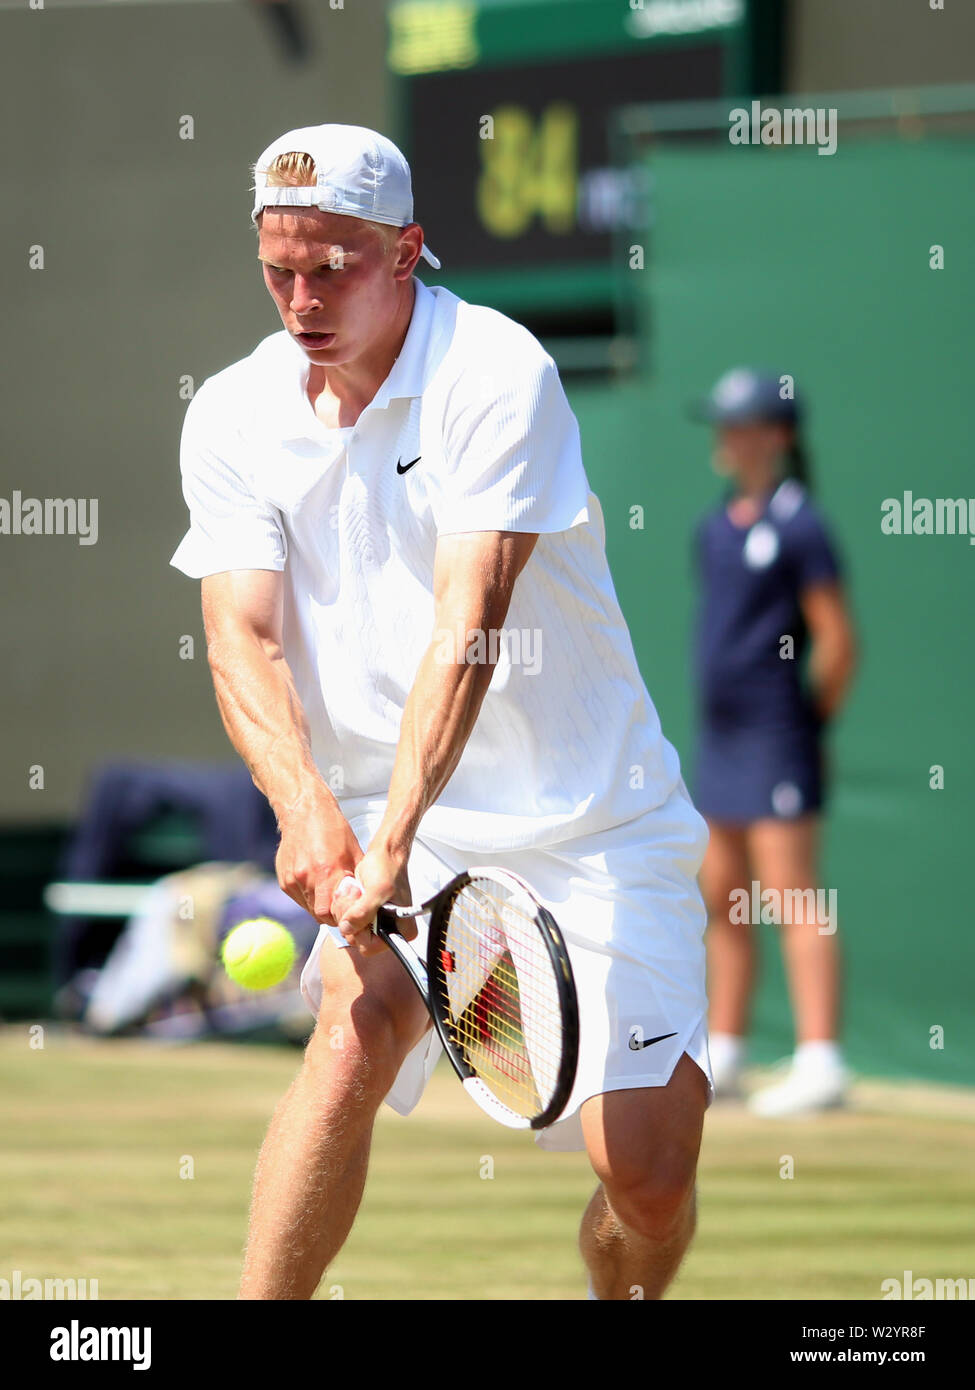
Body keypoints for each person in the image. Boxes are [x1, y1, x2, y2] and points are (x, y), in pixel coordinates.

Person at [171, 123, 713, 1301]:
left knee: (650, 1180)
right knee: (355, 1029)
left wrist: (394, 837)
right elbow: (240, 635)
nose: (301, 298)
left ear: (408, 249)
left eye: (334, 267)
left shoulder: (497, 373)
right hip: (391, 811)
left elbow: (468, 626)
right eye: (279, 268)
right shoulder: (227, 412)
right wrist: (310, 811)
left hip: (591, 822)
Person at [690, 369, 857, 1117]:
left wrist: (807, 726)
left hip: (777, 737)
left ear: (778, 438)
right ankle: (724, 1051)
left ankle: (822, 1060)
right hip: (720, 739)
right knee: (721, 897)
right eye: (723, 425)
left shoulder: (801, 525)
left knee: (794, 900)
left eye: (742, 425)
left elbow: (837, 642)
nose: (726, 439)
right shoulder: (715, 527)